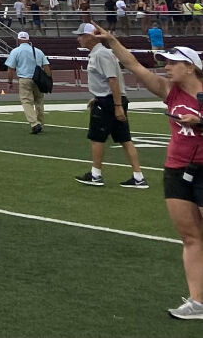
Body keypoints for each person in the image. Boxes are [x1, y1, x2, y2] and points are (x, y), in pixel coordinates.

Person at [87, 29, 203, 320]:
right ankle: (198, 302)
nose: (166, 66)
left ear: (190, 66)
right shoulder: (169, 91)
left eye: (172, 62)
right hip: (177, 169)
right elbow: (134, 66)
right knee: (190, 237)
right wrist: (112, 42)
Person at [74, 22, 147, 190]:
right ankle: (138, 177)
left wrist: (116, 105)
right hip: (108, 99)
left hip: (109, 102)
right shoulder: (98, 53)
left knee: (97, 138)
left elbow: (112, 79)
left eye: (81, 35)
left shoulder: (101, 54)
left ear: (90, 37)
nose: (78, 39)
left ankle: (96, 174)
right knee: (124, 139)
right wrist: (98, 97)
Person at [1, 31, 52, 134]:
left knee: (26, 101)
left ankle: (34, 123)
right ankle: (40, 123)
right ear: (28, 40)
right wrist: (49, 79)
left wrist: (9, 82)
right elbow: (46, 67)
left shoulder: (15, 51)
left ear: (19, 40)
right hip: (38, 79)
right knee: (39, 101)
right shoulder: (38, 51)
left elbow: (10, 69)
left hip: (24, 79)